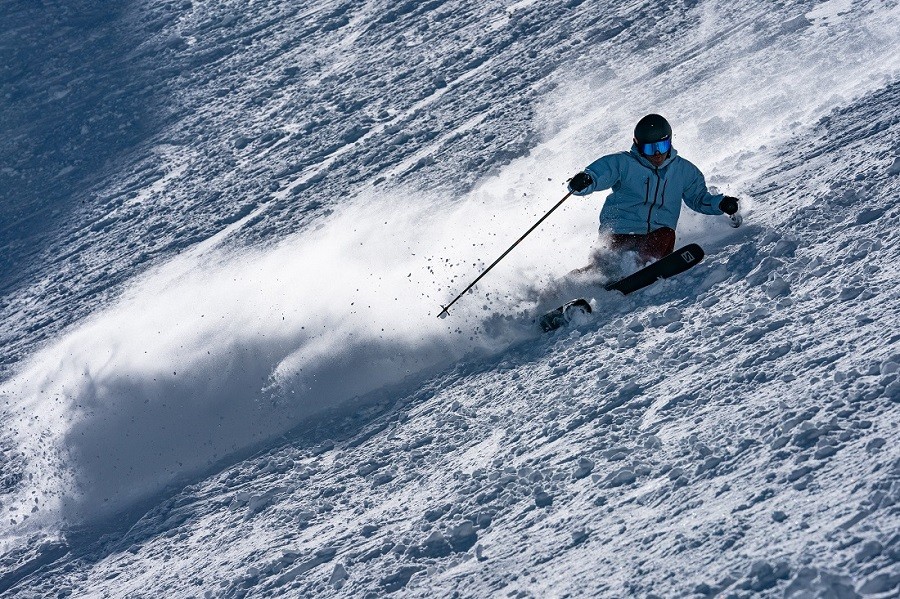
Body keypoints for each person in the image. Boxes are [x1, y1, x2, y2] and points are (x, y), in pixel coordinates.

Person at [568, 114, 739, 266]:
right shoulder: (624, 163)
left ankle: (641, 267)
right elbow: (599, 174)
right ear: (638, 145)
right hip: (620, 229)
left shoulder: (685, 171)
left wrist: (721, 204)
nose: (657, 154)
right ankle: (574, 286)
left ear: (670, 142)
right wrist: (585, 180)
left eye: (662, 146)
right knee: (605, 263)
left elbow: (699, 199)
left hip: (658, 233)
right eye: (650, 148)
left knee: (666, 235)